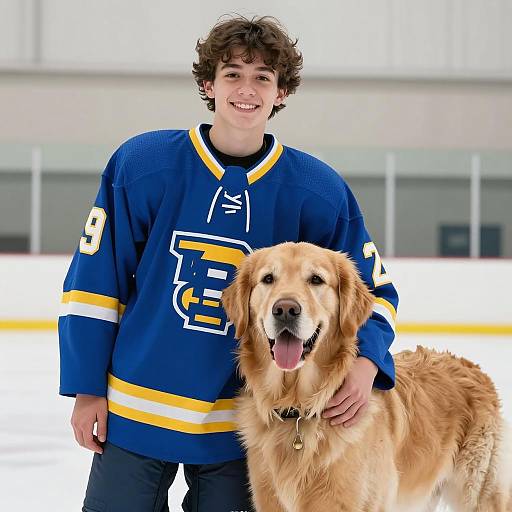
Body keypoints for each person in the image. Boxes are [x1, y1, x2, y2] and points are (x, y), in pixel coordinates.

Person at [59, 15, 398, 512]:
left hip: (243, 427)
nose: (247, 89)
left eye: (263, 77)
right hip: (135, 412)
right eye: (233, 73)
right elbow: (94, 283)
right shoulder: (143, 165)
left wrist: (367, 361)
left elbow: (374, 293)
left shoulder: (318, 192)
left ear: (281, 92)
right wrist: (87, 388)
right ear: (208, 84)